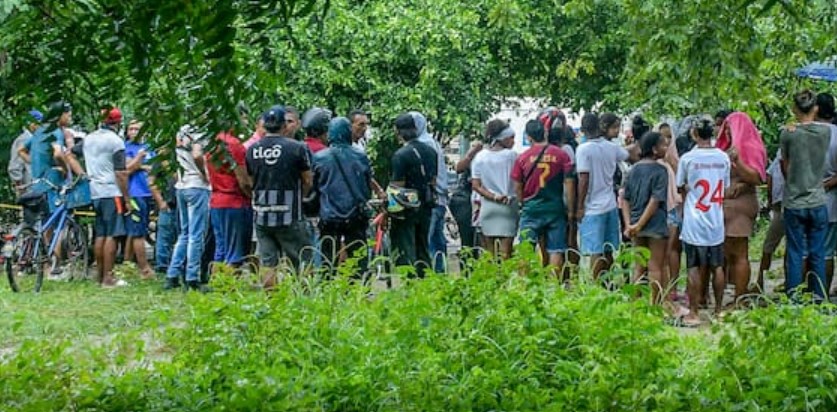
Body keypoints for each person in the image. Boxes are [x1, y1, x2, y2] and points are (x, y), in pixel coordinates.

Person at [246, 105, 314, 286]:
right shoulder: (297, 148)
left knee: (268, 263)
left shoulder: (253, 150)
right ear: (284, 125)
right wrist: (301, 197)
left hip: (262, 215)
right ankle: (304, 298)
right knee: (303, 259)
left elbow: (249, 181)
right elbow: (307, 180)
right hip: (289, 214)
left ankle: (272, 303)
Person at [677, 118, 730, 325]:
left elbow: (681, 186)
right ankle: (718, 310)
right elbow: (724, 186)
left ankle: (694, 312)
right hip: (716, 219)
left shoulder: (688, 159)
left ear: (694, 134)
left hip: (694, 219)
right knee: (717, 266)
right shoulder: (723, 158)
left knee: (693, 266)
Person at [781, 90, 831, 301]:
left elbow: (785, 164)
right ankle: (819, 297)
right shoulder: (825, 133)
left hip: (794, 200)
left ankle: (792, 298)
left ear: (794, 109)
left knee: (794, 252)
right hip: (818, 199)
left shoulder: (788, 134)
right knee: (817, 252)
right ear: (816, 108)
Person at [313, 117, 373, 277]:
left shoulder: (319, 158)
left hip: (329, 216)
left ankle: (328, 290)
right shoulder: (360, 156)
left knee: (328, 258)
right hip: (356, 215)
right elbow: (367, 189)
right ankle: (358, 290)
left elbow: (315, 188)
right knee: (358, 256)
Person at [513, 119, 574, 275]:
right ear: (545, 132)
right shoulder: (561, 155)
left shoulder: (522, 157)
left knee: (525, 249)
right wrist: (571, 210)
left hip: (531, 209)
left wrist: (522, 203)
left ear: (528, 137)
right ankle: (554, 287)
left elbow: (517, 186)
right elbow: (569, 183)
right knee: (556, 250)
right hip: (555, 209)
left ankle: (523, 285)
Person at [716, 111, 766, 301]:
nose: (727, 133)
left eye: (731, 129)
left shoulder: (751, 147)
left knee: (739, 253)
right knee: (726, 253)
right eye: (725, 129)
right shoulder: (723, 148)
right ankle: (733, 295)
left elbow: (757, 177)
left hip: (740, 205)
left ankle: (740, 298)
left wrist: (737, 162)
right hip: (724, 205)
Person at [576, 113, 629, 279]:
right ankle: (609, 283)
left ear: (583, 130)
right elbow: (628, 155)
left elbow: (584, 179)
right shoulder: (611, 147)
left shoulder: (583, 149)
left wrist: (580, 206)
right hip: (610, 205)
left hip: (593, 208)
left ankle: (597, 287)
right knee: (608, 249)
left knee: (595, 251)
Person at [82, 108, 131, 288]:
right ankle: (108, 278)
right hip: (112, 192)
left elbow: (69, 153)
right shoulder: (116, 141)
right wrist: (127, 198)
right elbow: (120, 173)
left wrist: (83, 174)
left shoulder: (89, 138)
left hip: (95, 191)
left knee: (100, 234)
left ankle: (100, 276)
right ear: (118, 123)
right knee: (113, 235)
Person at [622, 131, 669, 304]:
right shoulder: (661, 171)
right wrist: (641, 224)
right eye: (664, 145)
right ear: (655, 149)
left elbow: (624, 198)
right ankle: (655, 304)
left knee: (639, 267)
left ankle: (635, 304)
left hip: (634, 223)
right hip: (655, 224)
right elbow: (655, 200)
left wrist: (630, 224)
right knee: (655, 266)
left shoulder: (633, 169)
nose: (666, 148)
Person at [389, 113, 437, 278]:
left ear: (398, 132)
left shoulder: (401, 155)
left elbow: (397, 187)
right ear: (415, 129)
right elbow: (433, 180)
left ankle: (410, 285)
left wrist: (389, 209)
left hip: (406, 209)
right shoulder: (431, 151)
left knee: (406, 249)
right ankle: (426, 282)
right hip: (426, 206)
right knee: (423, 247)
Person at [165, 125, 212, 292]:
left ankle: (172, 274)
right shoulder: (201, 131)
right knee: (196, 235)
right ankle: (192, 277)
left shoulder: (182, 129)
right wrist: (205, 174)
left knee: (185, 233)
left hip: (182, 185)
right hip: (197, 185)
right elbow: (197, 153)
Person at [206, 126, 253, 270]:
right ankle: (228, 288)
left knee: (221, 250)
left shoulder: (212, 142)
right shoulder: (233, 145)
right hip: (234, 202)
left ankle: (216, 285)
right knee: (235, 254)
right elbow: (243, 181)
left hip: (216, 200)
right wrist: (252, 197)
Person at [471, 119, 518, 260]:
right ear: (502, 138)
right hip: (508, 206)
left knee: (489, 255)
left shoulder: (480, 157)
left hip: (488, 207)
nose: (513, 141)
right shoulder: (512, 156)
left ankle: (491, 280)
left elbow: (476, 185)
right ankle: (504, 281)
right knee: (506, 255)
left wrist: (493, 196)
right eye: (511, 138)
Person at [411, 112, 449, 273]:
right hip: (439, 198)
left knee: (426, 240)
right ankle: (441, 272)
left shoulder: (422, 145)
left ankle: (428, 275)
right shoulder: (432, 142)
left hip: (430, 199)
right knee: (437, 240)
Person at [123, 119, 156, 279]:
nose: (134, 132)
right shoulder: (125, 147)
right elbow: (127, 169)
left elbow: (156, 167)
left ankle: (127, 263)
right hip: (134, 193)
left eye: (138, 129)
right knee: (138, 233)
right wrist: (140, 160)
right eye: (131, 129)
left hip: (149, 193)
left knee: (137, 229)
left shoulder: (150, 147)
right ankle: (144, 268)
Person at [817, 93, 837, 295]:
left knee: (805, 251)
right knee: (827, 252)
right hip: (830, 201)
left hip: (804, 199)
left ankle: (805, 295)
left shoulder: (803, 133)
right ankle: (822, 295)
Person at [757, 150, 785, 292]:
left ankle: (760, 282)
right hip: (789, 203)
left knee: (768, 247)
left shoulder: (781, 152)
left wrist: (770, 201)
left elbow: (769, 176)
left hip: (782, 204)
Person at [450, 138, 483, 253]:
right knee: (467, 240)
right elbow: (458, 168)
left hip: (480, 199)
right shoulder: (470, 159)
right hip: (466, 200)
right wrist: (472, 152)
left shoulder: (487, 157)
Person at [8, 110, 42, 194]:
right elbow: (14, 167)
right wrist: (19, 187)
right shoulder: (24, 139)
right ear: (32, 124)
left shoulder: (36, 139)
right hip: (29, 188)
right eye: (39, 124)